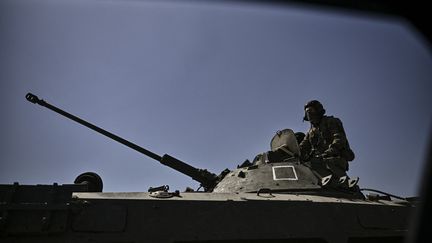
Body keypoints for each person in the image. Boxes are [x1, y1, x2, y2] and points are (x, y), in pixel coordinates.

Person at [299, 100, 354, 179]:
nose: (309, 114)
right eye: (307, 112)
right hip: (318, 162)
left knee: (337, 183)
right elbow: (303, 145)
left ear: (318, 111)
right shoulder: (311, 131)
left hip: (334, 159)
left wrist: (330, 151)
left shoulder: (331, 121)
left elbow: (339, 139)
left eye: (311, 110)